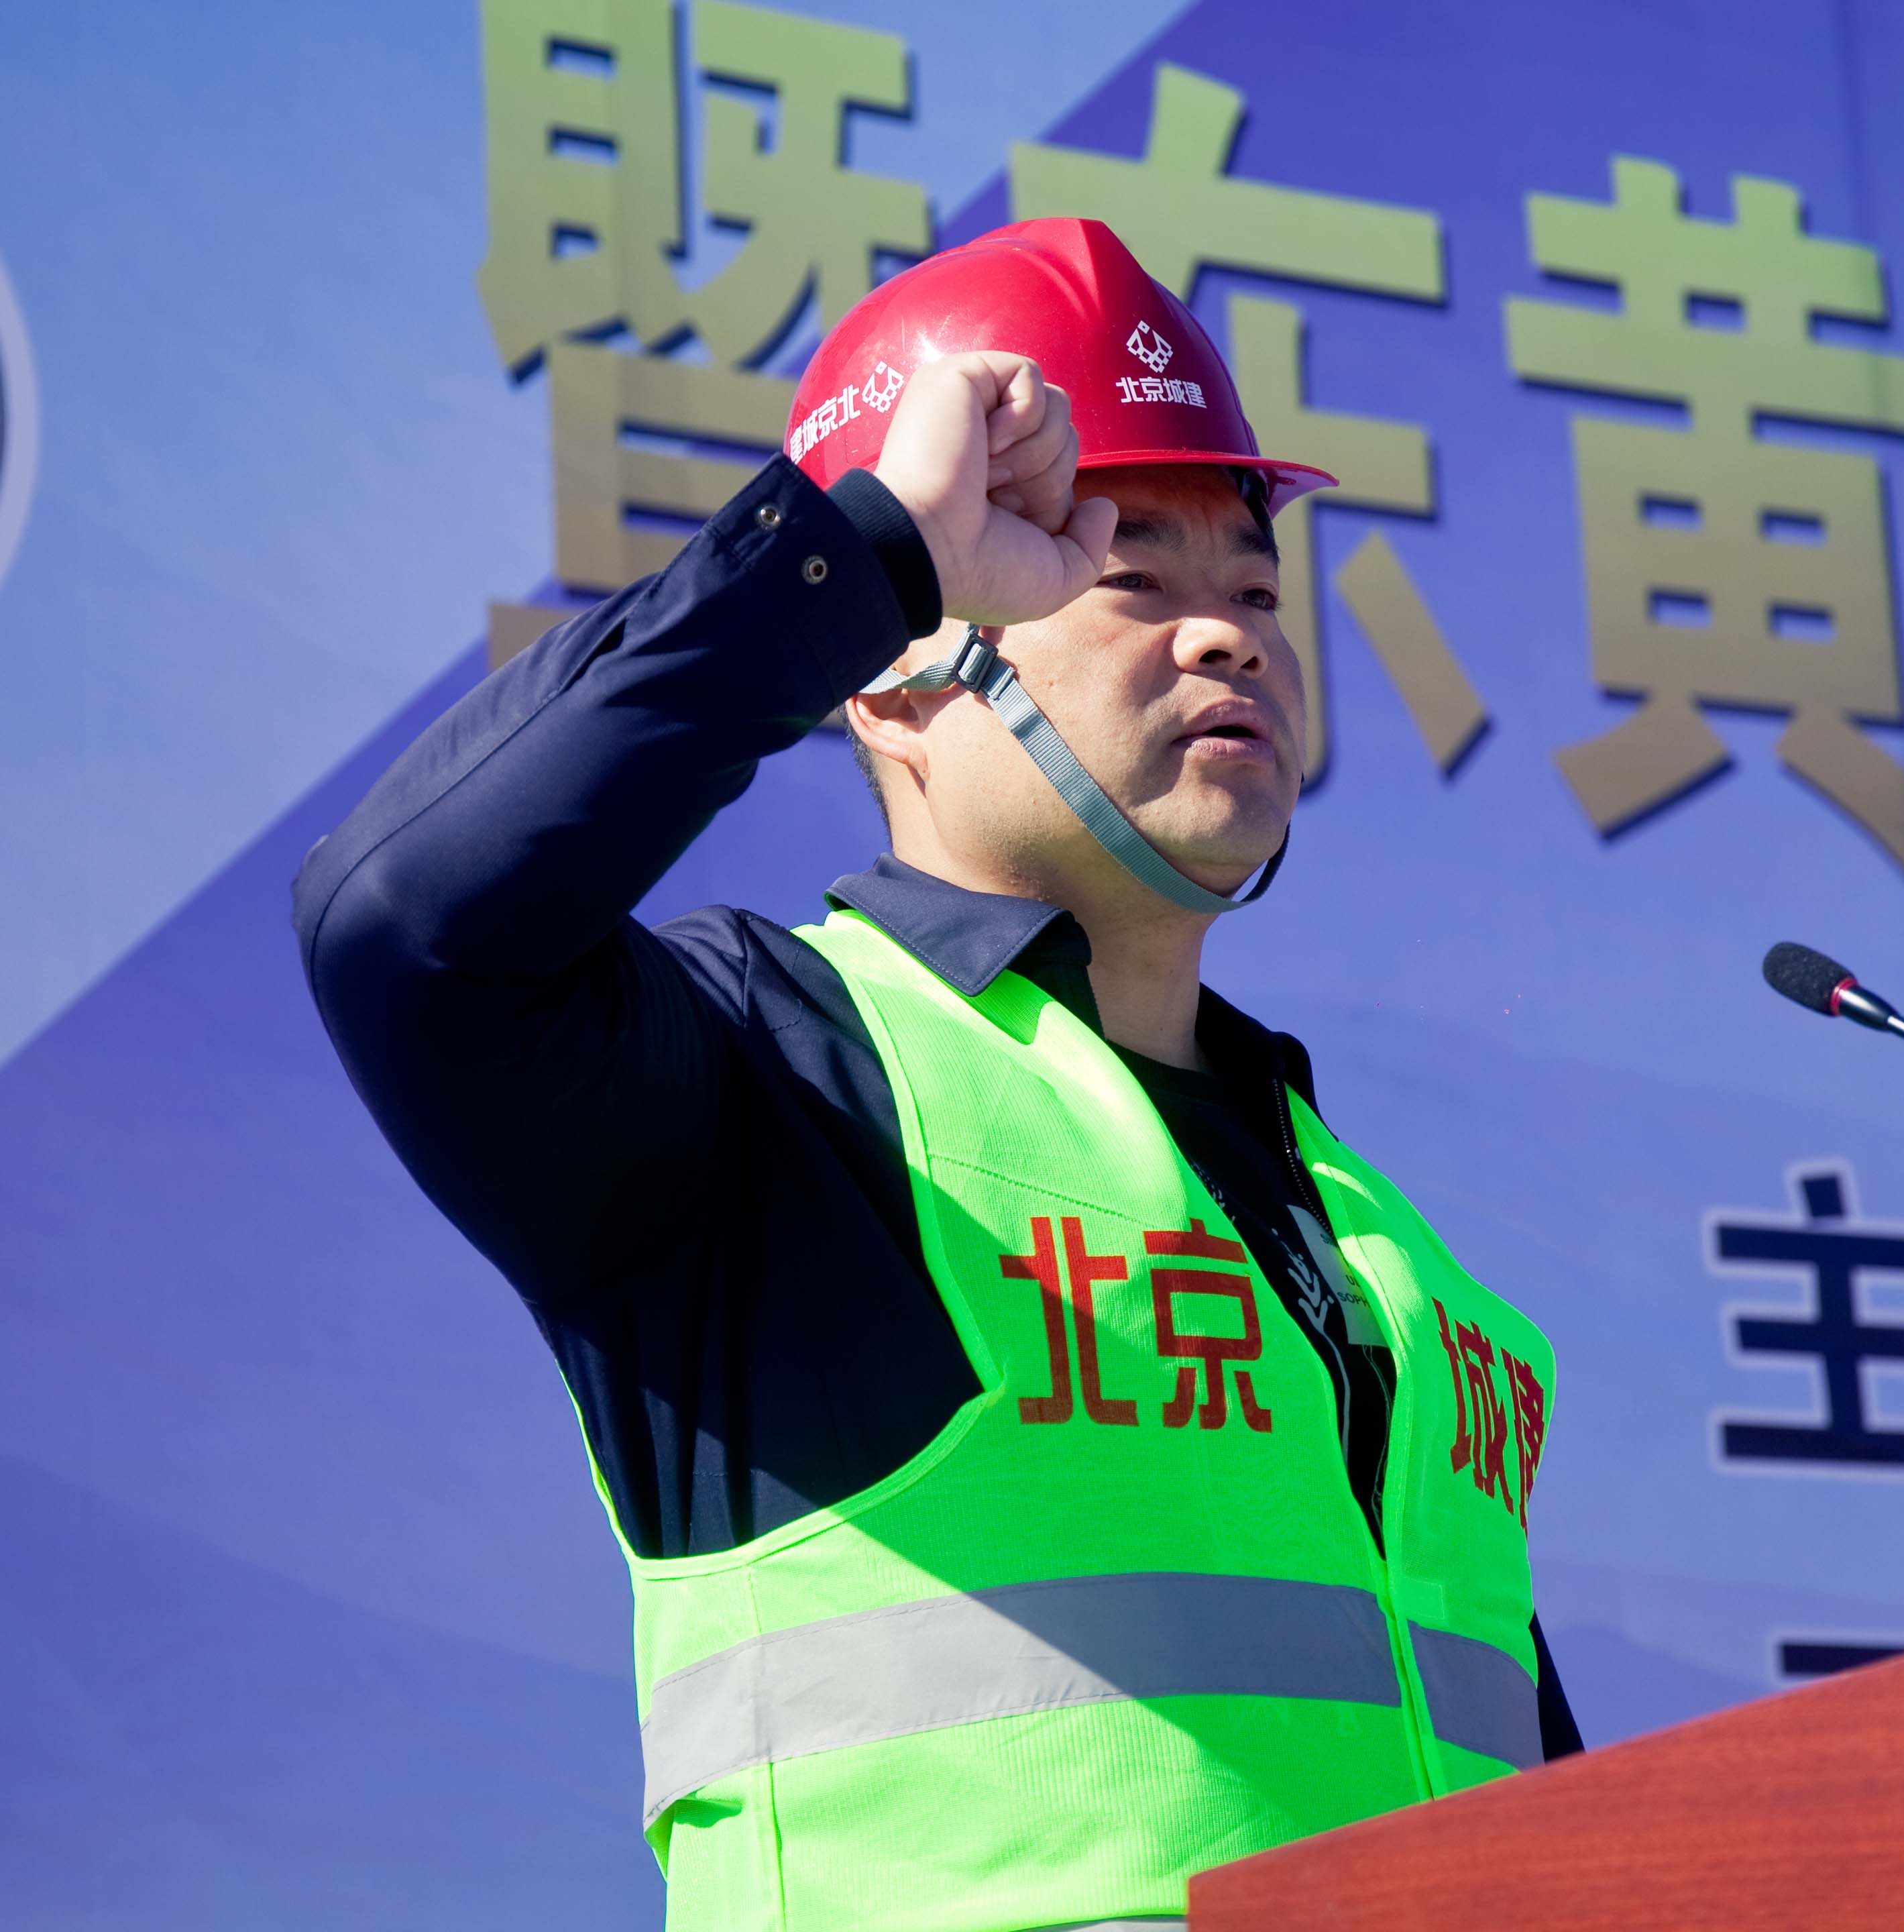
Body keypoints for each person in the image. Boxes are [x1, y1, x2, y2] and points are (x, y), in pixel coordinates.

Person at [294, 217, 1572, 1932]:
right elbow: (407, 926)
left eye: (1258, 592)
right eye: (1134, 580)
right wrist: (858, 562)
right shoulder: (770, 1089)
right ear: (897, 671)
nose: (1231, 639)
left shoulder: (1381, 1250)